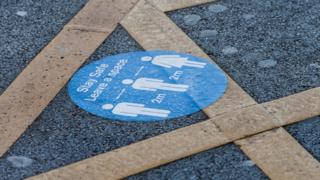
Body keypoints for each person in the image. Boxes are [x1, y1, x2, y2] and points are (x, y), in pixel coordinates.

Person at [102, 103, 170, 117]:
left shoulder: (116, 110)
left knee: (149, 112)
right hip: (138, 109)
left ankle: (164, 113)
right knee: (150, 110)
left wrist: (134, 114)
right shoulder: (120, 105)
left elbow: (127, 114)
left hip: (138, 110)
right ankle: (165, 112)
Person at [122, 78, 189, 92]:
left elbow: (150, 80)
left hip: (157, 84)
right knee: (168, 87)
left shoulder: (139, 80)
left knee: (168, 86)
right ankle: (182, 88)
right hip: (157, 85)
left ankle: (182, 88)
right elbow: (145, 88)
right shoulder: (136, 83)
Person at [141, 55, 206, 69]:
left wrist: (176, 56)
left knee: (188, 62)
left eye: (146, 57)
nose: (147, 58)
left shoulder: (157, 57)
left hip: (174, 60)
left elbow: (166, 57)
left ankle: (201, 64)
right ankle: (200, 66)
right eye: (146, 59)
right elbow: (162, 64)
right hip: (172, 63)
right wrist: (169, 66)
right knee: (187, 64)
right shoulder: (154, 62)